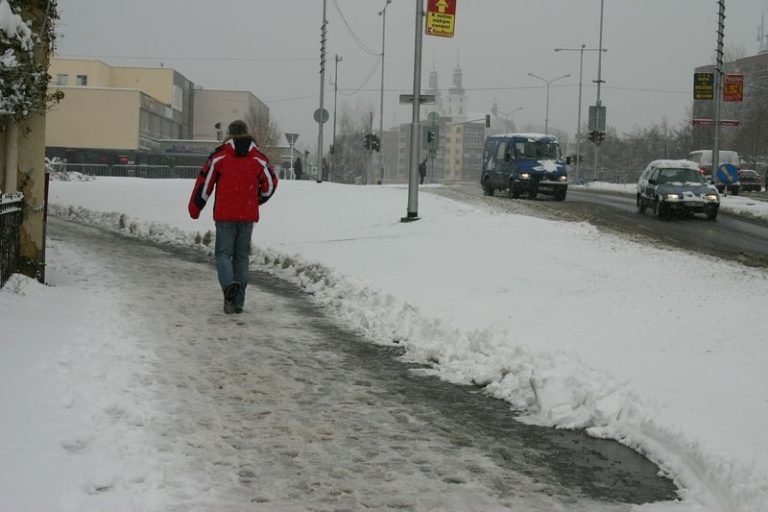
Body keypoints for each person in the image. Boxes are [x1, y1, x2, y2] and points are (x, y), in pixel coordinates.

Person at [188, 119, 278, 314]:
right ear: (247, 133)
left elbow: (205, 185)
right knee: (241, 257)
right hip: (247, 216)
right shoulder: (259, 159)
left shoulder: (219, 157)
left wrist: (195, 208)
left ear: (229, 134)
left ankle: (229, 287)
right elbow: (270, 185)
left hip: (225, 214)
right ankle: (238, 303)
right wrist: (256, 200)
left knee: (223, 254)